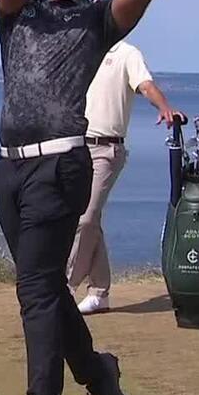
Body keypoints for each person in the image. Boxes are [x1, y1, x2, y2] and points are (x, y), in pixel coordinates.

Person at [0, 0, 157, 395]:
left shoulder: (97, 19)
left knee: (36, 289)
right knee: (46, 290)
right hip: (10, 170)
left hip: (60, 165)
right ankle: (102, 380)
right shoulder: (16, 12)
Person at [70, 40, 183, 314]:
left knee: (86, 218)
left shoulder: (126, 53)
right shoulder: (82, 50)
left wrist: (164, 107)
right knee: (89, 219)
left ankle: (64, 285)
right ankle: (99, 293)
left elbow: (145, 85)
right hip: (75, 145)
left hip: (107, 149)